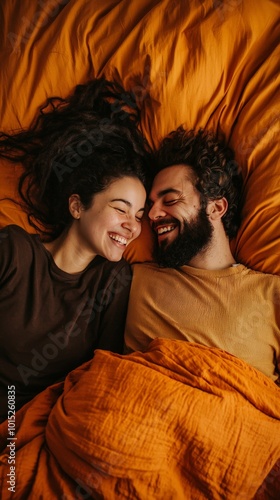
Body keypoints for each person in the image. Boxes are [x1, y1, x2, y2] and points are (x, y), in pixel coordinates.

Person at [0, 78, 151, 421]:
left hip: (43, 429)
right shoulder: (14, 252)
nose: (133, 226)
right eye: (120, 208)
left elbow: (100, 378)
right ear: (77, 207)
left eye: (139, 215)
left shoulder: (113, 281)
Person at [124, 127, 280, 383]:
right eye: (149, 205)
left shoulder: (271, 294)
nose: (152, 216)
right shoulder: (131, 280)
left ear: (216, 207)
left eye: (171, 200)